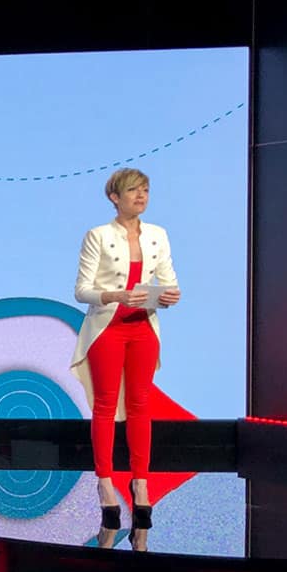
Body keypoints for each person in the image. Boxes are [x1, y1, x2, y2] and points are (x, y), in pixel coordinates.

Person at [70, 168, 180, 549]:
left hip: (143, 327)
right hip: (107, 328)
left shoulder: (158, 235)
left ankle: (141, 483)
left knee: (140, 404)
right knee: (104, 405)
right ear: (115, 198)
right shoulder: (98, 235)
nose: (141, 196)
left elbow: (168, 280)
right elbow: (81, 290)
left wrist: (170, 295)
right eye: (133, 190)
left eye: (145, 190)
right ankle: (105, 483)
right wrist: (116, 296)